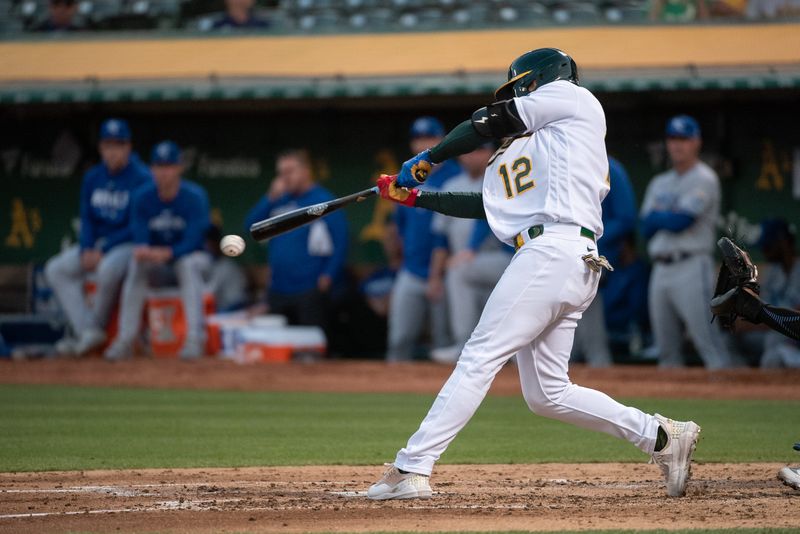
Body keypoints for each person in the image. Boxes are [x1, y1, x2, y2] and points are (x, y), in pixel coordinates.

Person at [368, 48, 701, 501]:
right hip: (562, 257)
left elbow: (489, 120)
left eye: (522, 85)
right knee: (547, 393)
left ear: (543, 77)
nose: (519, 94)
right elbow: (489, 207)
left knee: (480, 355)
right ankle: (661, 436)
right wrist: (417, 198)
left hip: (554, 250)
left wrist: (431, 155)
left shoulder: (572, 97)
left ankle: (413, 466)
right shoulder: (535, 146)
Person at [45, 118, 151, 356]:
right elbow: (87, 217)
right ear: (101, 147)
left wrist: (103, 250)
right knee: (56, 269)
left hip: (124, 243)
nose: (113, 151)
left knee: (107, 268)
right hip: (97, 243)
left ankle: (92, 329)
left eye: (118, 145)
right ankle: (87, 331)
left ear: (128, 147)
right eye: (108, 145)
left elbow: (138, 225)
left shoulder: (142, 178)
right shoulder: (93, 176)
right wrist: (86, 247)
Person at [640, 115, 732, 370]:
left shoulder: (705, 178)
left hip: (692, 266)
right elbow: (645, 228)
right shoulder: (659, 182)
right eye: (673, 138)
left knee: (708, 343)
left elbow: (681, 222)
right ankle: (671, 407)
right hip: (660, 269)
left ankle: (730, 398)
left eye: (684, 138)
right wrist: (665, 217)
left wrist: (661, 217)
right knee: (666, 349)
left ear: (696, 142)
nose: (677, 145)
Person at [104, 141, 211, 360]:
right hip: (158, 264)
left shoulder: (195, 196)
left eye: (169, 166)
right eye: (160, 166)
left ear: (179, 167)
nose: (164, 172)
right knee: (137, 263)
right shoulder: (142, 197)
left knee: (187, 263)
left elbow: (193, 242)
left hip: (193, 262)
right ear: (152, 169)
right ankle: (125, 340)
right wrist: (147, 252)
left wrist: (168, 252)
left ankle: (194, 339)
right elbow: (141, 239)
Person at [244, 149, 348, 330]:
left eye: (289, 171)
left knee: (309, 348)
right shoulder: (277, 201)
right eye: (281, 173)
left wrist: (328, 276)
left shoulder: (323, 200)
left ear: (306, 171)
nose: (284, 178)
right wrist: (270, 197)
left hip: (309, 288)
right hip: (278, 288)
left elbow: (341, 242)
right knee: (277, 348)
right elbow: (251, 228)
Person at [385, 117, 461, 362]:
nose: (423, 144)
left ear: (441, 141)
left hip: (447, 274)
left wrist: (437, 274)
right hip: (411, 270)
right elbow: (398, 226)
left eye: (429, 138)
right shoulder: (406, 177)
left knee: (443, 343)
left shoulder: (456, 176)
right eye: (418, 138)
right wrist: (396, 256)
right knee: (399, 340)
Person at [428, 143, 512, 364]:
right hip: (472, 263)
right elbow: (440, 238)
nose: (473, 155)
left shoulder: (501, 176)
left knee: (459, 271)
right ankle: (465, 346)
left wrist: (470, 249)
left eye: (480, 150)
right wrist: (435, 275)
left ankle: (468, 347)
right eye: (469, 150)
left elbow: (485, 216)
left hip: (506, 257)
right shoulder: (452, 184)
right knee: (460, 273)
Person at [572, 157, 637, 367]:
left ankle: (599, 370)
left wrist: (590, 238)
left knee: (590, 331)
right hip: (566, 251)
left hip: (595, 251)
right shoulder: (562, 162)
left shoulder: (610, 168)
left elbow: (626, 218)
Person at [205, 225, 248, 312]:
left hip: (236, 307)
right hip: (227, 306)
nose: (208, 247)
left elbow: (208, 292)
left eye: (210, 244)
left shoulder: (225, 265)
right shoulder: (215, 263)